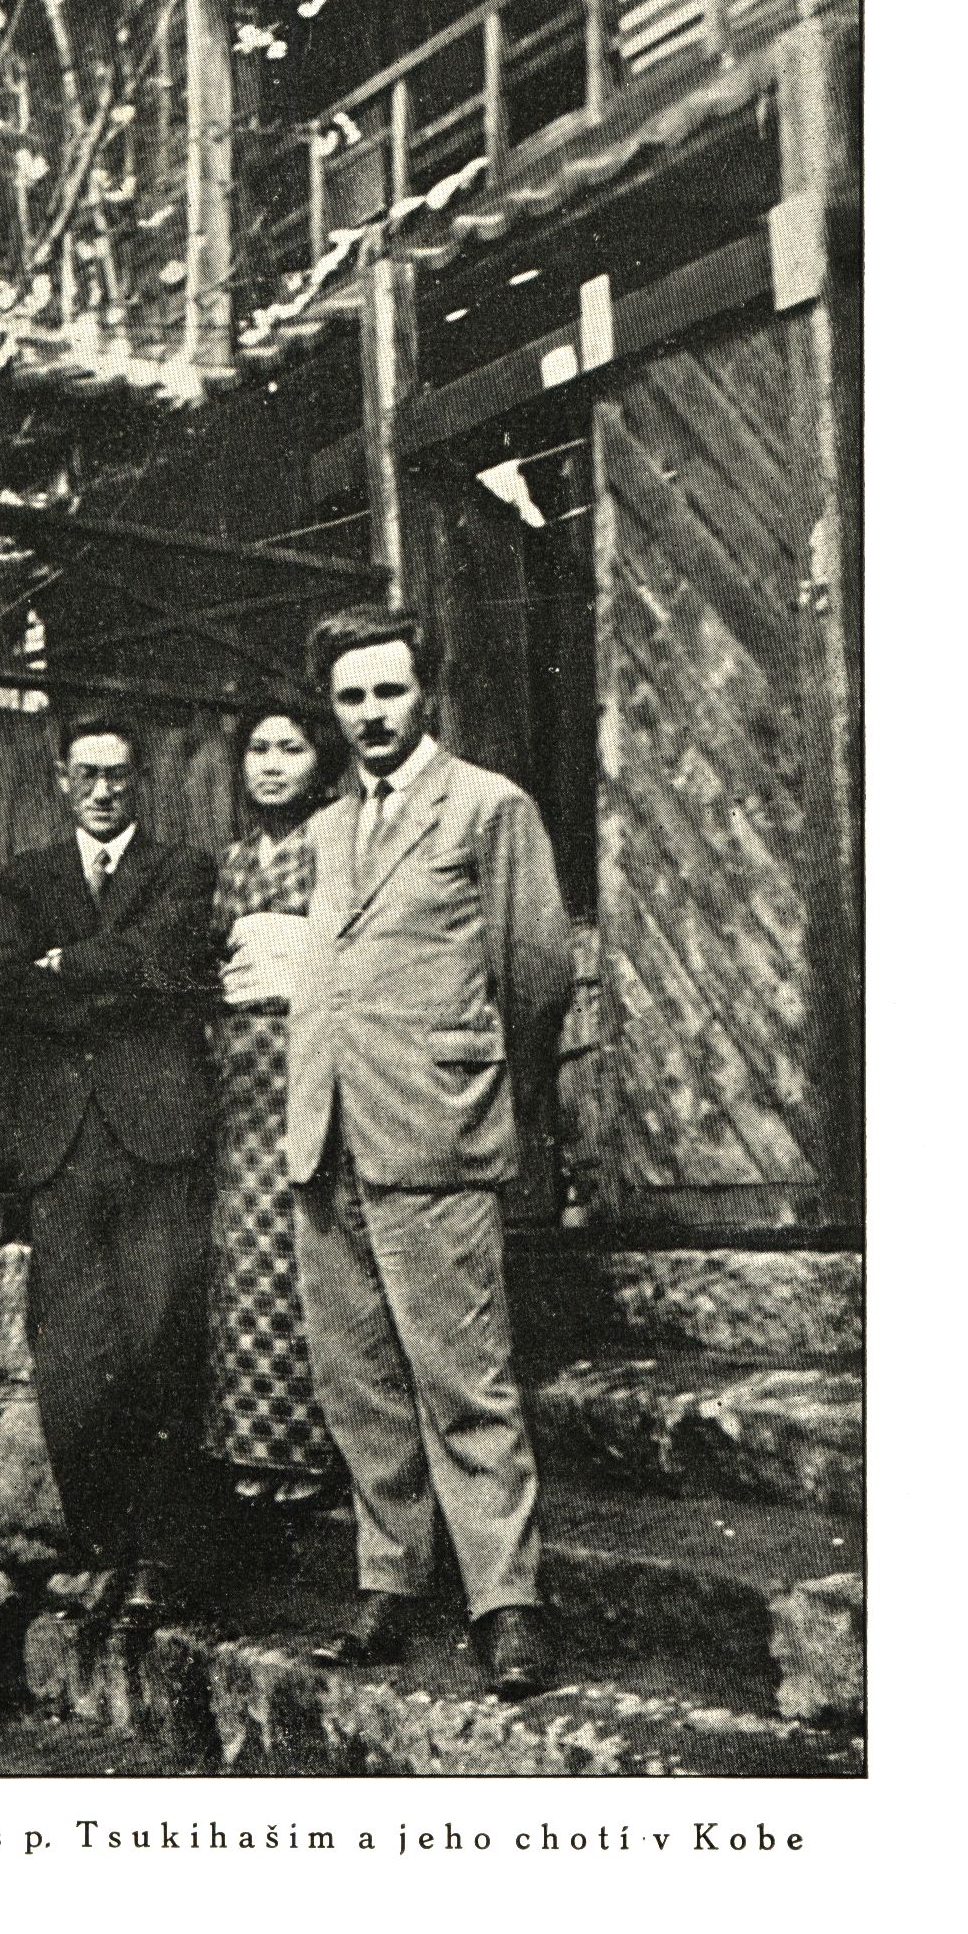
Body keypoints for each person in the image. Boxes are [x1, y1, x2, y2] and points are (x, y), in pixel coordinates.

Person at [283, 606, 573, 1700]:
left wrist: (481, 1095)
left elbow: (533, 973)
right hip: (329, 1135)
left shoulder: (489, 807)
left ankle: (507, 1603)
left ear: (426, 694)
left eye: (388, 691)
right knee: (357, 1380)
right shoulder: (327, 828)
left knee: (465, 1380)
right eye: (350, 697)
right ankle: (389, 1582)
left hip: (434, 1134)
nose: (370, 714)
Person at [0, 708, 216, 1624]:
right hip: (63, 1147)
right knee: (73, 1358)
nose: (104, 790)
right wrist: (110, 981)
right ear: (62, 781)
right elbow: (2, 985)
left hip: (156, 1138)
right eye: (88, 774)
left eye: (118, 774)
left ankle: (159, 1556)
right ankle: (99, 1546)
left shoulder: (182, 870)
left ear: (138, 780)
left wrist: (67, 964)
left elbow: (166, 961)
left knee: (161, 1345)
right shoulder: (25, 877)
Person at [204, 696, 345, 1513]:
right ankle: (252, 1445)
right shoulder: (232, 861)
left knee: (308, 1250)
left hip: (309, 1053)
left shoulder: (336, 842)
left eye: (290, 748)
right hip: (241, 1071)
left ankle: (315, 1450)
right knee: (247, 1256)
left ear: (320, 761)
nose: (271, 764)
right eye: (259, 749)